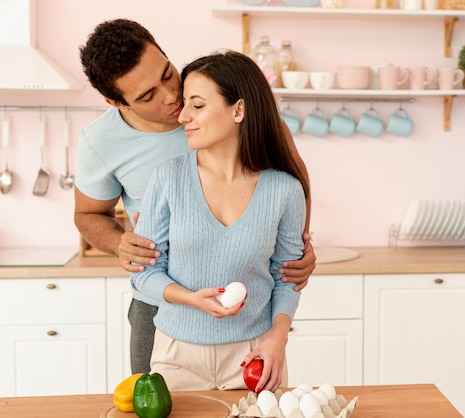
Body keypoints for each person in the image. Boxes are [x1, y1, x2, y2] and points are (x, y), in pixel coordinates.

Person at [74, 19, 315, 375]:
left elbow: (293, 180)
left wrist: (296, 253)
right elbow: (87, 215)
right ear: (116, 102)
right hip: (158, 301)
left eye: (167, 73)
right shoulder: (101, 141)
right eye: (146, 95)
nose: (172, 97)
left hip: (246, 313)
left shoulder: (222, 99)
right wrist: (122, 243)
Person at [131, 49, 306, 392]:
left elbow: (287, 279)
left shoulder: (285, 190)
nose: (183, 117)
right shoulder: (169, 178)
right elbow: (144, 275)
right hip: (176, 355)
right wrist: (190, 298)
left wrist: (278, 339)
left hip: (254, 354)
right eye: (184, 105)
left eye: (197, 105)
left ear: (238, 109)